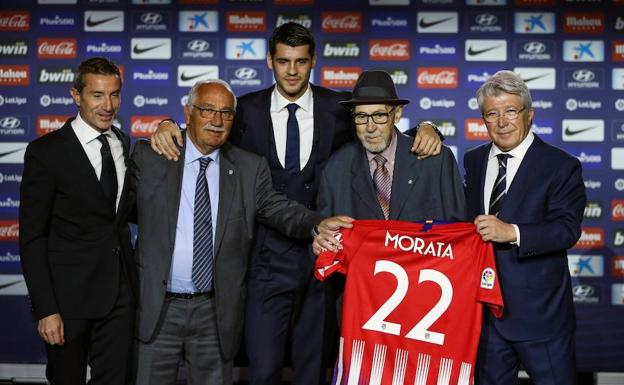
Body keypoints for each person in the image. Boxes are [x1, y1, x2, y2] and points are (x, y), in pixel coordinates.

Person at [149, 23, 442, 385]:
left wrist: (428, 127)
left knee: (312, 370)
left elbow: (380, 128)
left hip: (324, 261)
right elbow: (207, 129)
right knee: (264, 369)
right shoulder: (245, 110)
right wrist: (166, 124)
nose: (292, 70)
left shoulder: (338, 108)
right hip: (264, 261)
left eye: (301, 62)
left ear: (313, 61)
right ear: (270, 60)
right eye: (284, 61)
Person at [130, 79, 350, 385]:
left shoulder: (248, 167)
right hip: (158, 310)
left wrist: (315, 224)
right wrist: (166, 125)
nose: (217, 121)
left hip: (214, 312)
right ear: (188, 112)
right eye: (207, 110)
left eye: (226, 113)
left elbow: (278, 208)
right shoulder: (151, 156)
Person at [19, 57, 136, 384]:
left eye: (115, 95)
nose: (108, 105)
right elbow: (32, 237)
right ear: (76, 95)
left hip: (120, 295)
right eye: (98, 95)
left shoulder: (123, 143)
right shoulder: (46, 152)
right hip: (68, 301)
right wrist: (46, 309)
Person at [464, 70, 586, 385]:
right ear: (483, 120)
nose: (502, 121)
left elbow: (567, 229)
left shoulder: (561, 165)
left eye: (510, 111)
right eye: (492, 113)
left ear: (529, 115)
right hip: (487, 315)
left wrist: (513, 232)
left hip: (540, 318)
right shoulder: (473, 160)